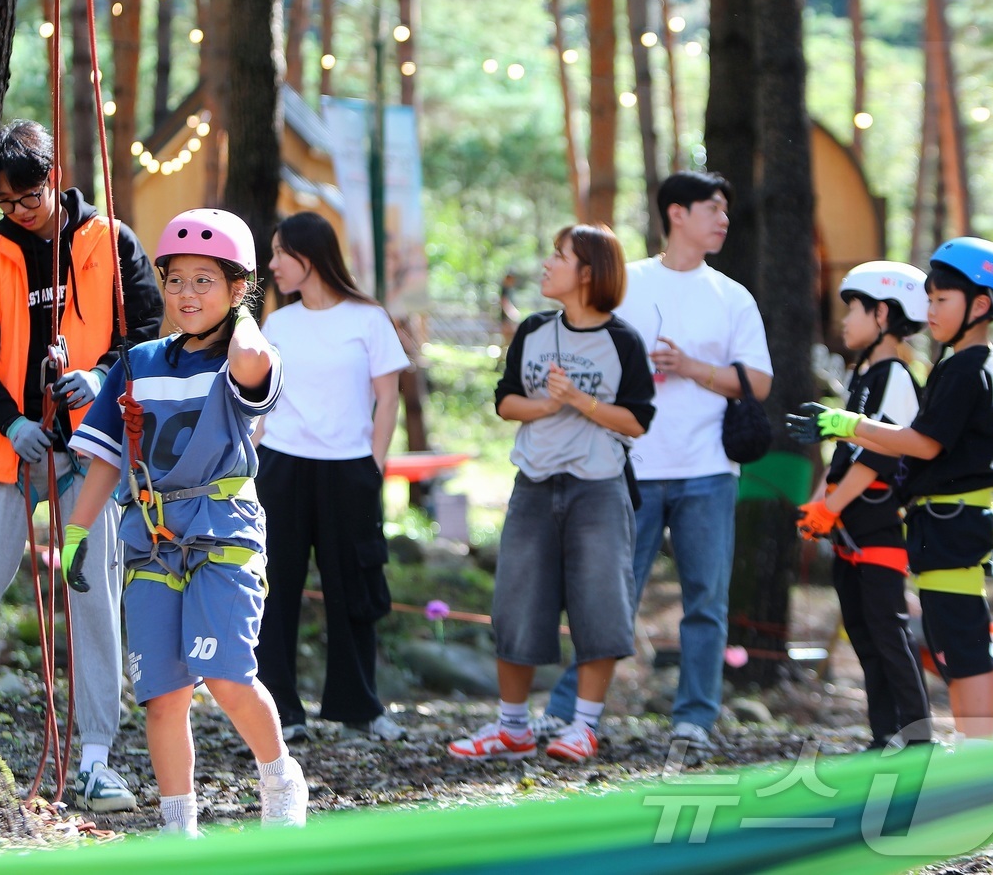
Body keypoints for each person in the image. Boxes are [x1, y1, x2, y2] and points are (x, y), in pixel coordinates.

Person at [61, 208, 307, 835]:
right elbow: (106, 462)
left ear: (236, 288)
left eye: (205, 280)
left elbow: (251, 362)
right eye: (174, 280)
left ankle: (279, 774)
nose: (185, 294)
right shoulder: (138, 363)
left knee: (226, 674)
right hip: (151, 540)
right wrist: (78, 534)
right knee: (163, 695)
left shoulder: (244, 359)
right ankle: (179, 824)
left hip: (223, 531)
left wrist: (242, 314)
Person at [0, 119, 164, 812]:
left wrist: (102, 377)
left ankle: (96, 754)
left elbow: (149, 333)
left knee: (93, 595)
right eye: (6, 201)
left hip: (89, 456)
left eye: (30, 193)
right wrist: (10, 420)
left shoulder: (109, 240)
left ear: (54, 175)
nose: (21, 209)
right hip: (8, 454)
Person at [532, 172, 772, 751]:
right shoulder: (628, 282)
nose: (723, 220)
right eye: (712, 209)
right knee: (608, 595)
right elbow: (579, 346)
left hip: (709, 470)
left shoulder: (733, 295)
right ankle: (572, 712)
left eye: (725, 211)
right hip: (626, 465)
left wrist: (691, 368)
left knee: (705, 600)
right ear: (676, 214)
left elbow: (759, 382)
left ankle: (694, 718)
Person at [789, 237, 993, 742]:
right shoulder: (957, 364)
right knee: (948, 638)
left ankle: (979, 757)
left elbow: (920, 443)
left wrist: (846, 424)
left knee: (961, 640)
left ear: (980, 305)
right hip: (942, 523)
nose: (930, 309)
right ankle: (971, 752)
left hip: (955, 521)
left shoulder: (969, 366)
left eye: (941, 300)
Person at [447, 224, 655, 764]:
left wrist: (581, 402)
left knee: (600, 605)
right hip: (533, 486)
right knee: (515, 604)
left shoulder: (623, 341)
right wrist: (547, 405)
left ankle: (583, 727)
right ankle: (512, 727)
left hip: (598, 490)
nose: (546, 264)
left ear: (587, 272)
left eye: (558, 256)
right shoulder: (535, 330)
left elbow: (637, 421)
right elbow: (506, 401)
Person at [252, 212, 411, 743]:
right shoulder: (278, 324)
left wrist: (376, 463)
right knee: (277, 590)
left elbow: (388, 397)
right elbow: (264, 404)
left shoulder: (367, 318)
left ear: (309, 256)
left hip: (350, 472)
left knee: (355, 589)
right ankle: (281, 712)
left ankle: (358, 707)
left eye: (279, 253)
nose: (271, 265)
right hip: (282, 467)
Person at [794, 261, 932, 750]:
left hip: (878, 527)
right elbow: (843, 456)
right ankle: (883, 736)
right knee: (865, 635)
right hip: (847, 526)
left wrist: (830, 508)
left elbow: (879, 455)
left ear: (882, 314)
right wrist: (817, 506)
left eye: (853, 309)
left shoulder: (895, 375)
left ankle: (918, 739)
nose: (846, 320)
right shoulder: (860, 377)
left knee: (889, 634)